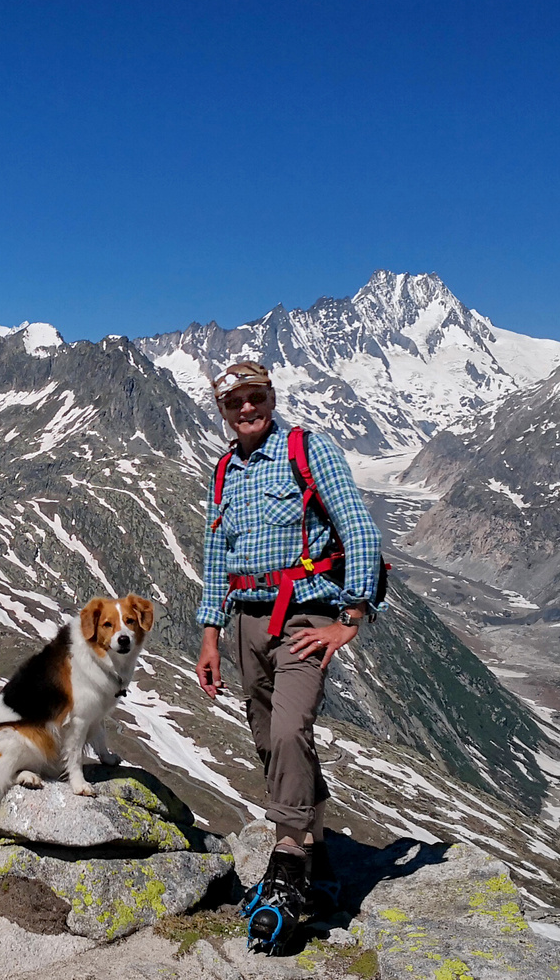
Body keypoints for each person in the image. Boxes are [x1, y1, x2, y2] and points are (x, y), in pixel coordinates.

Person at [193, 361, 380, 945]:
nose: (246, 409)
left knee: (292, 728)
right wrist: (210, 636)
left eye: (255, 397)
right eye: (234, 403)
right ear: (223, 411)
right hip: (247, 622)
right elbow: (214, 557)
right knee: (269, 739)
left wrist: (351, 618)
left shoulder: (307, 450)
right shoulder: (223, 471)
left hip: (303, 617)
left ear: (270, 396)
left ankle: (289, 857)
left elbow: (359, 530)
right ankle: (320, 853)